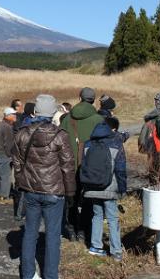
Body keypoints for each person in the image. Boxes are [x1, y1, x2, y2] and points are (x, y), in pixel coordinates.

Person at [13, 95, 76, 279]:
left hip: (31, 191)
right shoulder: (60, 135)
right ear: (53, 112)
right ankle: (50, 275)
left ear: (36, 111)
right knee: (53, 237)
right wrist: (70, 192)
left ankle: (28, 274)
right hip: (54, 191)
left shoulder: (23, 133)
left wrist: (21, 182)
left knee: (30, 233)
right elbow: (68, 166)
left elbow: (16, 161)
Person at [60, 87, 104, 241]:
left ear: (79, 98)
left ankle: (71, 228)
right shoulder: (99, 120)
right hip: (91, 166)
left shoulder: (67, 119)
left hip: (69, 165)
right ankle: (84, 231)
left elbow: (60, 142)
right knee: (88, 198)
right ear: (93, 100)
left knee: (71, 197)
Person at [82, 121, 127, 262]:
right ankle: (116, 251)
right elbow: (120, 170)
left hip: (92, 187)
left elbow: (83, 166)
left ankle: (96, 247)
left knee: (97, 215)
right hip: (109, 188)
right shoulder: (116, 144)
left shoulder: (87, 145)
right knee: (113, 218)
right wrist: (122, 188)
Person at [139, 93, 160, 182]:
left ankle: (153, 186)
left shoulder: (152, 117)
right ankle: (159, 189)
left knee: (153, 167)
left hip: (151, 145)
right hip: (159, 147)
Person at [0, 107, 17, 203]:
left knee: (1, 176)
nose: (15, 116)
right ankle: (4, 197)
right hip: (4, 155)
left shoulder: (1, 124)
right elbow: (8, 144)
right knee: (6, 177)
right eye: (13, 115)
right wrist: (11, 156)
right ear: (8, 116)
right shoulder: (7, 127)